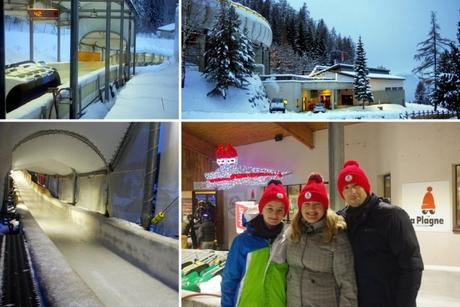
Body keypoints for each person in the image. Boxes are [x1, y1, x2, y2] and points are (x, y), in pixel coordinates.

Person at [336, 160, 424, 307]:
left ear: (365, 186)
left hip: (388, 300)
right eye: (346, 188)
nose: (352, 192)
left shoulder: (392, 216)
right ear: (342, 193)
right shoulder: (341, 219)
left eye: (356, 185)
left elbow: (411, 265)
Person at [286, 172, 357, 307]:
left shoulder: (336, 235)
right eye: (306, 204)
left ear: (325, 207)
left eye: (317, 204)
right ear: (300, 208)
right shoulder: (293, 232)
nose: (311, 209)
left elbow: (347, 283)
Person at [221, 182, 290, 307]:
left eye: (280, 210)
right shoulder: (242, 242)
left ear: (284, 213)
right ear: (261, 209)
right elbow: (230, 280)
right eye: (270, 208)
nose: (274, 214)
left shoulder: (286, 241)